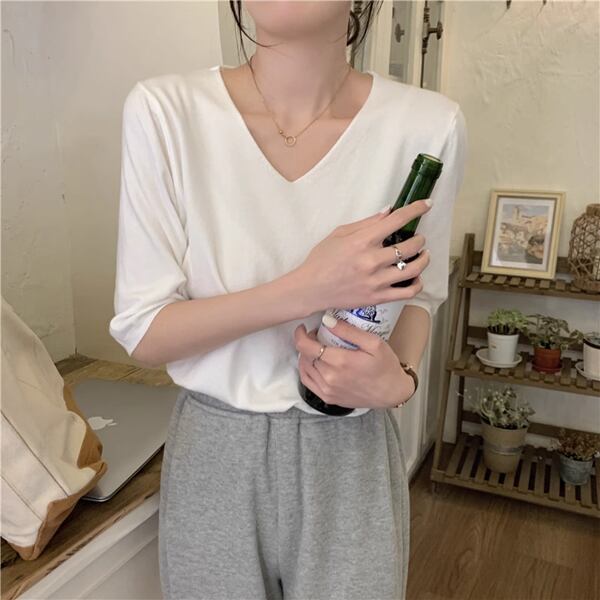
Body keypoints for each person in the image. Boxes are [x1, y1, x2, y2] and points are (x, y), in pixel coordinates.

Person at [109, 2, 467, 598]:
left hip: (350, 456)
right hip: (215, 454)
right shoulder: (166, 112)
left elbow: (418, 298)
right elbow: (144, 331)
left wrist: (398, 381)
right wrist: (309, 286)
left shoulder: (429, 126)